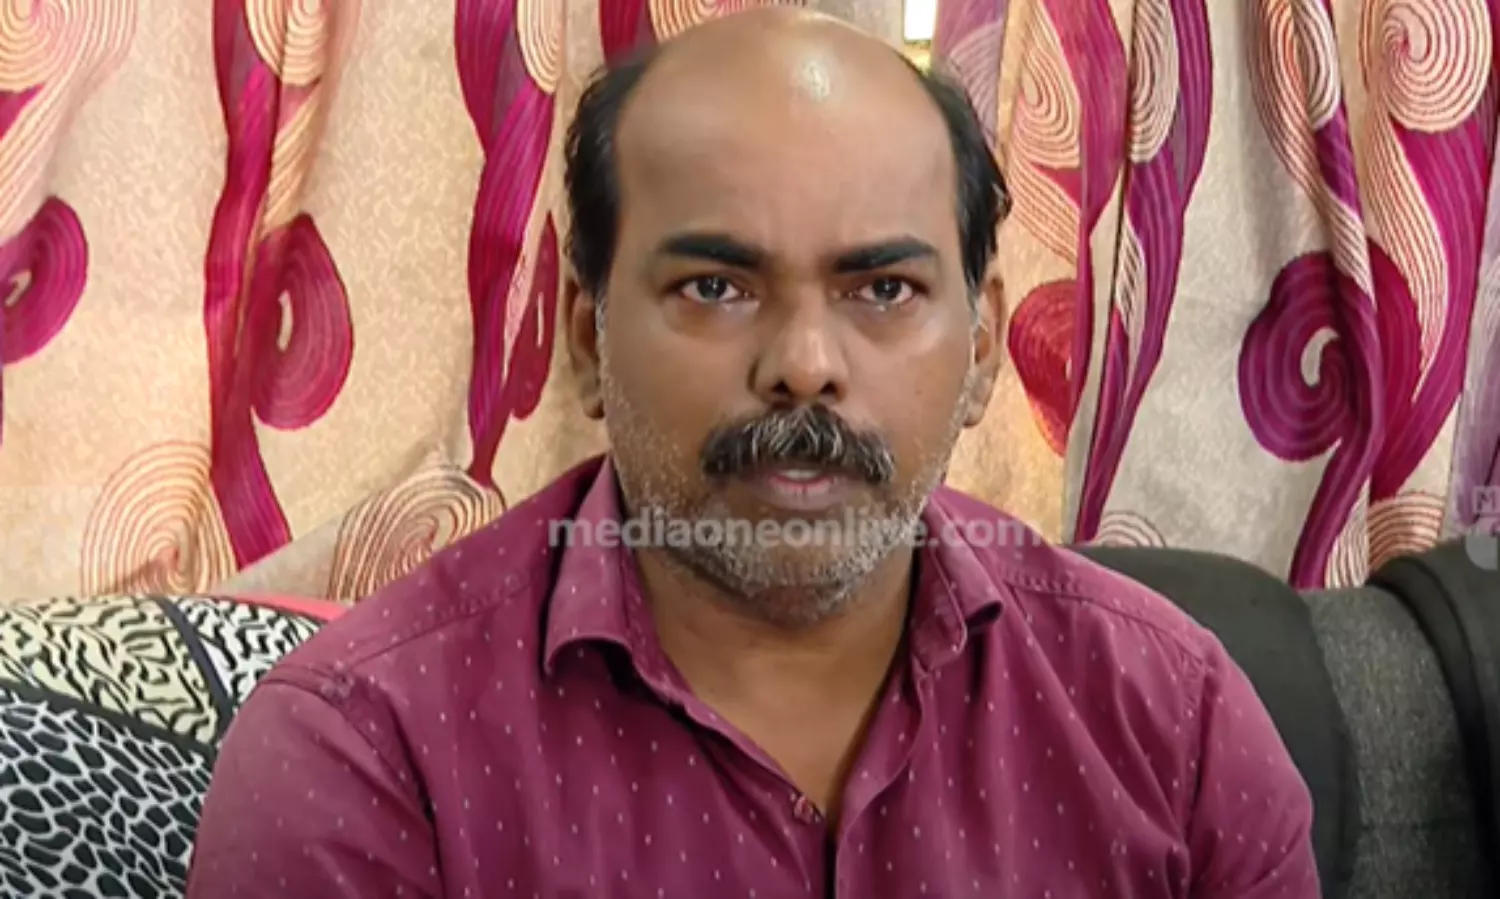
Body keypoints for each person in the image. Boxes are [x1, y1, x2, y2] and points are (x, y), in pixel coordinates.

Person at [186, 8, 1319, 898]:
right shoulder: (366, 754)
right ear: (586, 340)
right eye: (715, 287)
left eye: (884, 289)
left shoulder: (1173, 723)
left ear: (981, 349)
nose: (804, 364)